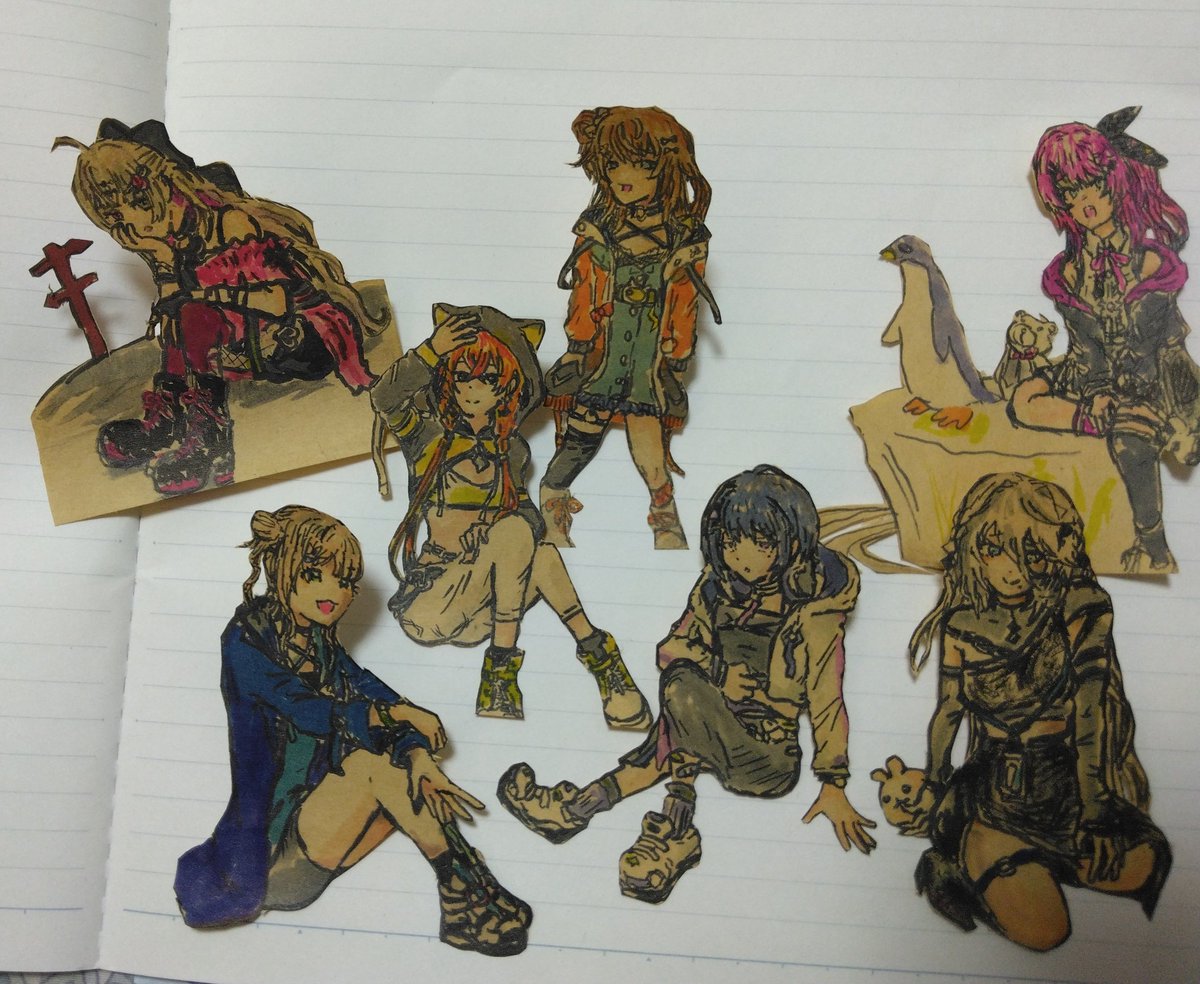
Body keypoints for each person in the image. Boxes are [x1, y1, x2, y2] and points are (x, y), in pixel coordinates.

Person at [498, 466, 875, 904]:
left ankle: (660, 824)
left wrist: (833, 781)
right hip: (712, 716)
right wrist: (721, 674)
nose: (742, 557)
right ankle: (594, 812)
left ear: (791, 542)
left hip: (766, 754)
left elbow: (828, 696)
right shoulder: (717, 588)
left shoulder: (815, 608)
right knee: (681, 702)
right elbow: (670, 649)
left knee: (680, 697)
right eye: (731, 542)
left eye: (760, 543)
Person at [174, 506, 530, 957]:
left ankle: (463, 890)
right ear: (282, 567)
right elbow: (309, 709)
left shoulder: (320, 643)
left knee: (401, 769)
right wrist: (395, 718)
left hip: (325, 838)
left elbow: (372, 692)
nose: (334, 593)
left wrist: (417, 755)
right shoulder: (246, 640)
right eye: (314, 574)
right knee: (369, 765)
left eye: (344, 582)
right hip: (271, 858)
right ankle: (463, 891)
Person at [906, 473, 1170, 951]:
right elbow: (948, 712)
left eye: (1030, 553)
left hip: (1064, 787)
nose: (1012, 570)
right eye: (995, 550)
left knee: (1146, 863)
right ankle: (968, 862)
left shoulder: (1080, 607)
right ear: (973, 549)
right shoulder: (961, 624)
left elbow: (1090, 715)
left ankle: (1036, 862)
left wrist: (1096, 811)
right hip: (994, 795)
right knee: (1046, 932)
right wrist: (936, 784)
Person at [55, 119, 386, 495]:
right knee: (182, 313)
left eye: (117, 214)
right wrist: (164, 264)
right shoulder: (171, 241)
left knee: (193, 311)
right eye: (110, 220)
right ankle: (172, 415)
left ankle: (210, 437)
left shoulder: (229, 224)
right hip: (246, 346)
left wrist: (201, 297)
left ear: (145, 191)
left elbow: (277, 302)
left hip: (300, 340)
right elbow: (174, 315)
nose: (120, 229)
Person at [370, 304, 652, 728]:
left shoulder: (512, 451)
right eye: (462, 376)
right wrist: (431, 350)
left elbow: (526, 518)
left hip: (485, 608)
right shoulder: (426, 435)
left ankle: (600, 661)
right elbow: (383, 397)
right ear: (447, 380)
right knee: (520, 535)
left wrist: (491, 532)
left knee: (533, 544)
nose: (472, 389)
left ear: (507, 386)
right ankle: (502, 672)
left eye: (487, 378)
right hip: (433, 606)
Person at [1009, 107, 1199, 572]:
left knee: (1132, 440)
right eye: (1071, 193)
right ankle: (1101, 420)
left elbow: (1152, 347)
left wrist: (1125, 393)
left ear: (1115, 181)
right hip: (1095, 373)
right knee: (1023, 400)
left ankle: (1153, 542)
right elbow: (1085, 349)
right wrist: (1095, 393)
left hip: (1154, 373)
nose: (1085, 202)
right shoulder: (1069, 273)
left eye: (1093, 185)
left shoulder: (1150, 263)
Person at [539, 106, 720, 549]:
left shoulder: (685, 236)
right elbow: (583, 292)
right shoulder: (597, 228)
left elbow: (685, 305)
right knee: (578, 440)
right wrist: (578, 347)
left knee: (650, 448)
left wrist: (676, 360)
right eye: (614, 162)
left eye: (640, 164)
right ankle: (551, 508)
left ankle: (665, 521)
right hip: (601, 366)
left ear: (667, 168)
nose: (624, 176)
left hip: (646, 370)